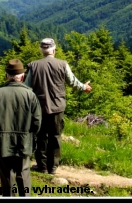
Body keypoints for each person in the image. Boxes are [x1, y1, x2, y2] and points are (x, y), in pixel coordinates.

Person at [25, 38, 92, 175]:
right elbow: (72, 81)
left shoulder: (33, 65)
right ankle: (53, 167)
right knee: (55, 136)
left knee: (39, 136)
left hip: (39, 107)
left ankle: (42, 167)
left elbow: (26, 87)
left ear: (41, 51)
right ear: (54, 50)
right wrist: (84, 87)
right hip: (57, 107)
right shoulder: (62, 64)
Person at [0, 59, 42, 197]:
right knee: (23, 172)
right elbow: (37, 121)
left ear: (7, 75)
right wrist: (31, 135)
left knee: (6, 174)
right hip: (24, 139)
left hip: (2, 140)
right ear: (22, 77)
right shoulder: (30, 95)